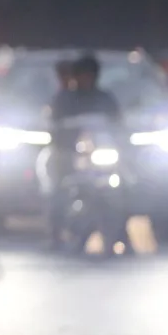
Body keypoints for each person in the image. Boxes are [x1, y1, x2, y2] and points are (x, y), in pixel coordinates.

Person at [47, 54, 123, 246]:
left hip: (100, 154)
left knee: (123, 181)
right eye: (82, 75)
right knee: (57, 186)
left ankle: (120, 231)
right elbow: (54, 127)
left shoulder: (106, 99)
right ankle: (56, 232)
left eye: (90, 75)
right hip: (71, 153)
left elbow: (118, 125)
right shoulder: (64, 100)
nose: (86, 79)